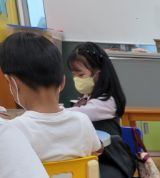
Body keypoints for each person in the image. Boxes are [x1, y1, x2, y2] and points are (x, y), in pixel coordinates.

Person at [67, 42, 148, 178]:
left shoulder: (106, 102)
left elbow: (74, 116)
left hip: (115, 159)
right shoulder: (86, 98)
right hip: (95, 158)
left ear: (98, 73)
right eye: (74, 74)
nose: (76, 79)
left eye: (80, 74)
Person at [0, 32, 101, 163]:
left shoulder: (12, 130)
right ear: (62, 82)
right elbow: (95, 153)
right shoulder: (83, 122)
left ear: (12, 82)